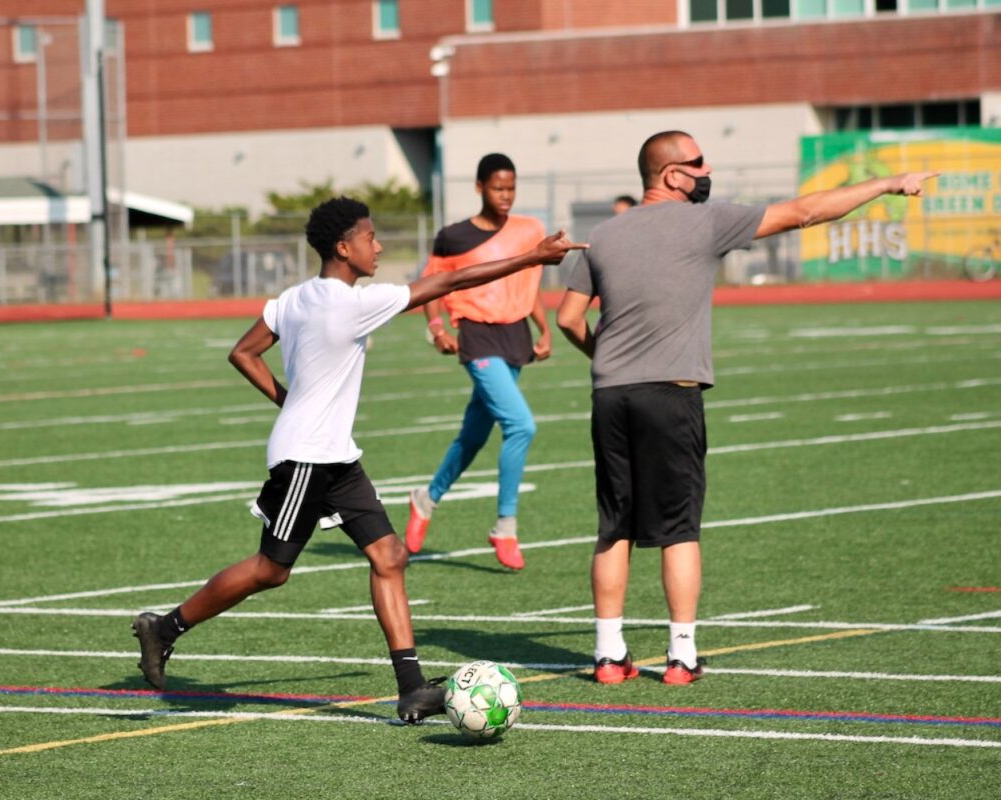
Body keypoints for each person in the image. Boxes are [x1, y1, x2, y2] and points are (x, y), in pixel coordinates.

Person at [131, 197, 584, 723]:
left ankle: (412, 688)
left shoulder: (295, 298)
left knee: (389, 556)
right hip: (305, 458)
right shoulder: (350, 303)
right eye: (371, 238)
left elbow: (243, 352)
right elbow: (451, 283)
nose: (380, 246)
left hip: (335, 456)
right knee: (269, 571)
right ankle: (164, 627)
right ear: (344, 248)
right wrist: (533, 258)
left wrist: (289, 400)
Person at [556, 130, 935, 686]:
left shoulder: (604, 235)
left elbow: (567, 318)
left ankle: (609, 656)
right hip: (671, 393)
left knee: (614, 527)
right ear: (671, 176)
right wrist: (888, 184)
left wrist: (607, 356)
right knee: (680, 528)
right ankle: (681, 656)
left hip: (610, 394)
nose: (708, 170)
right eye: (698, 162)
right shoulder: (705, 222)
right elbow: (806, 212)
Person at [404, 153, 550, 571]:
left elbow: (529, 283)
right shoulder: (453, 237)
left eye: (511, 188)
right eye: (498, 188)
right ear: (479, 187)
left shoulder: (529, 230)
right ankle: (505, 525)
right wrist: (437, 330)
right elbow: (429, 288)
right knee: (521, 424)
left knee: (473, 435)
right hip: (477, 335)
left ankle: (425, 499)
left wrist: (544, 329)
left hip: (515, 334)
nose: (505, 196)